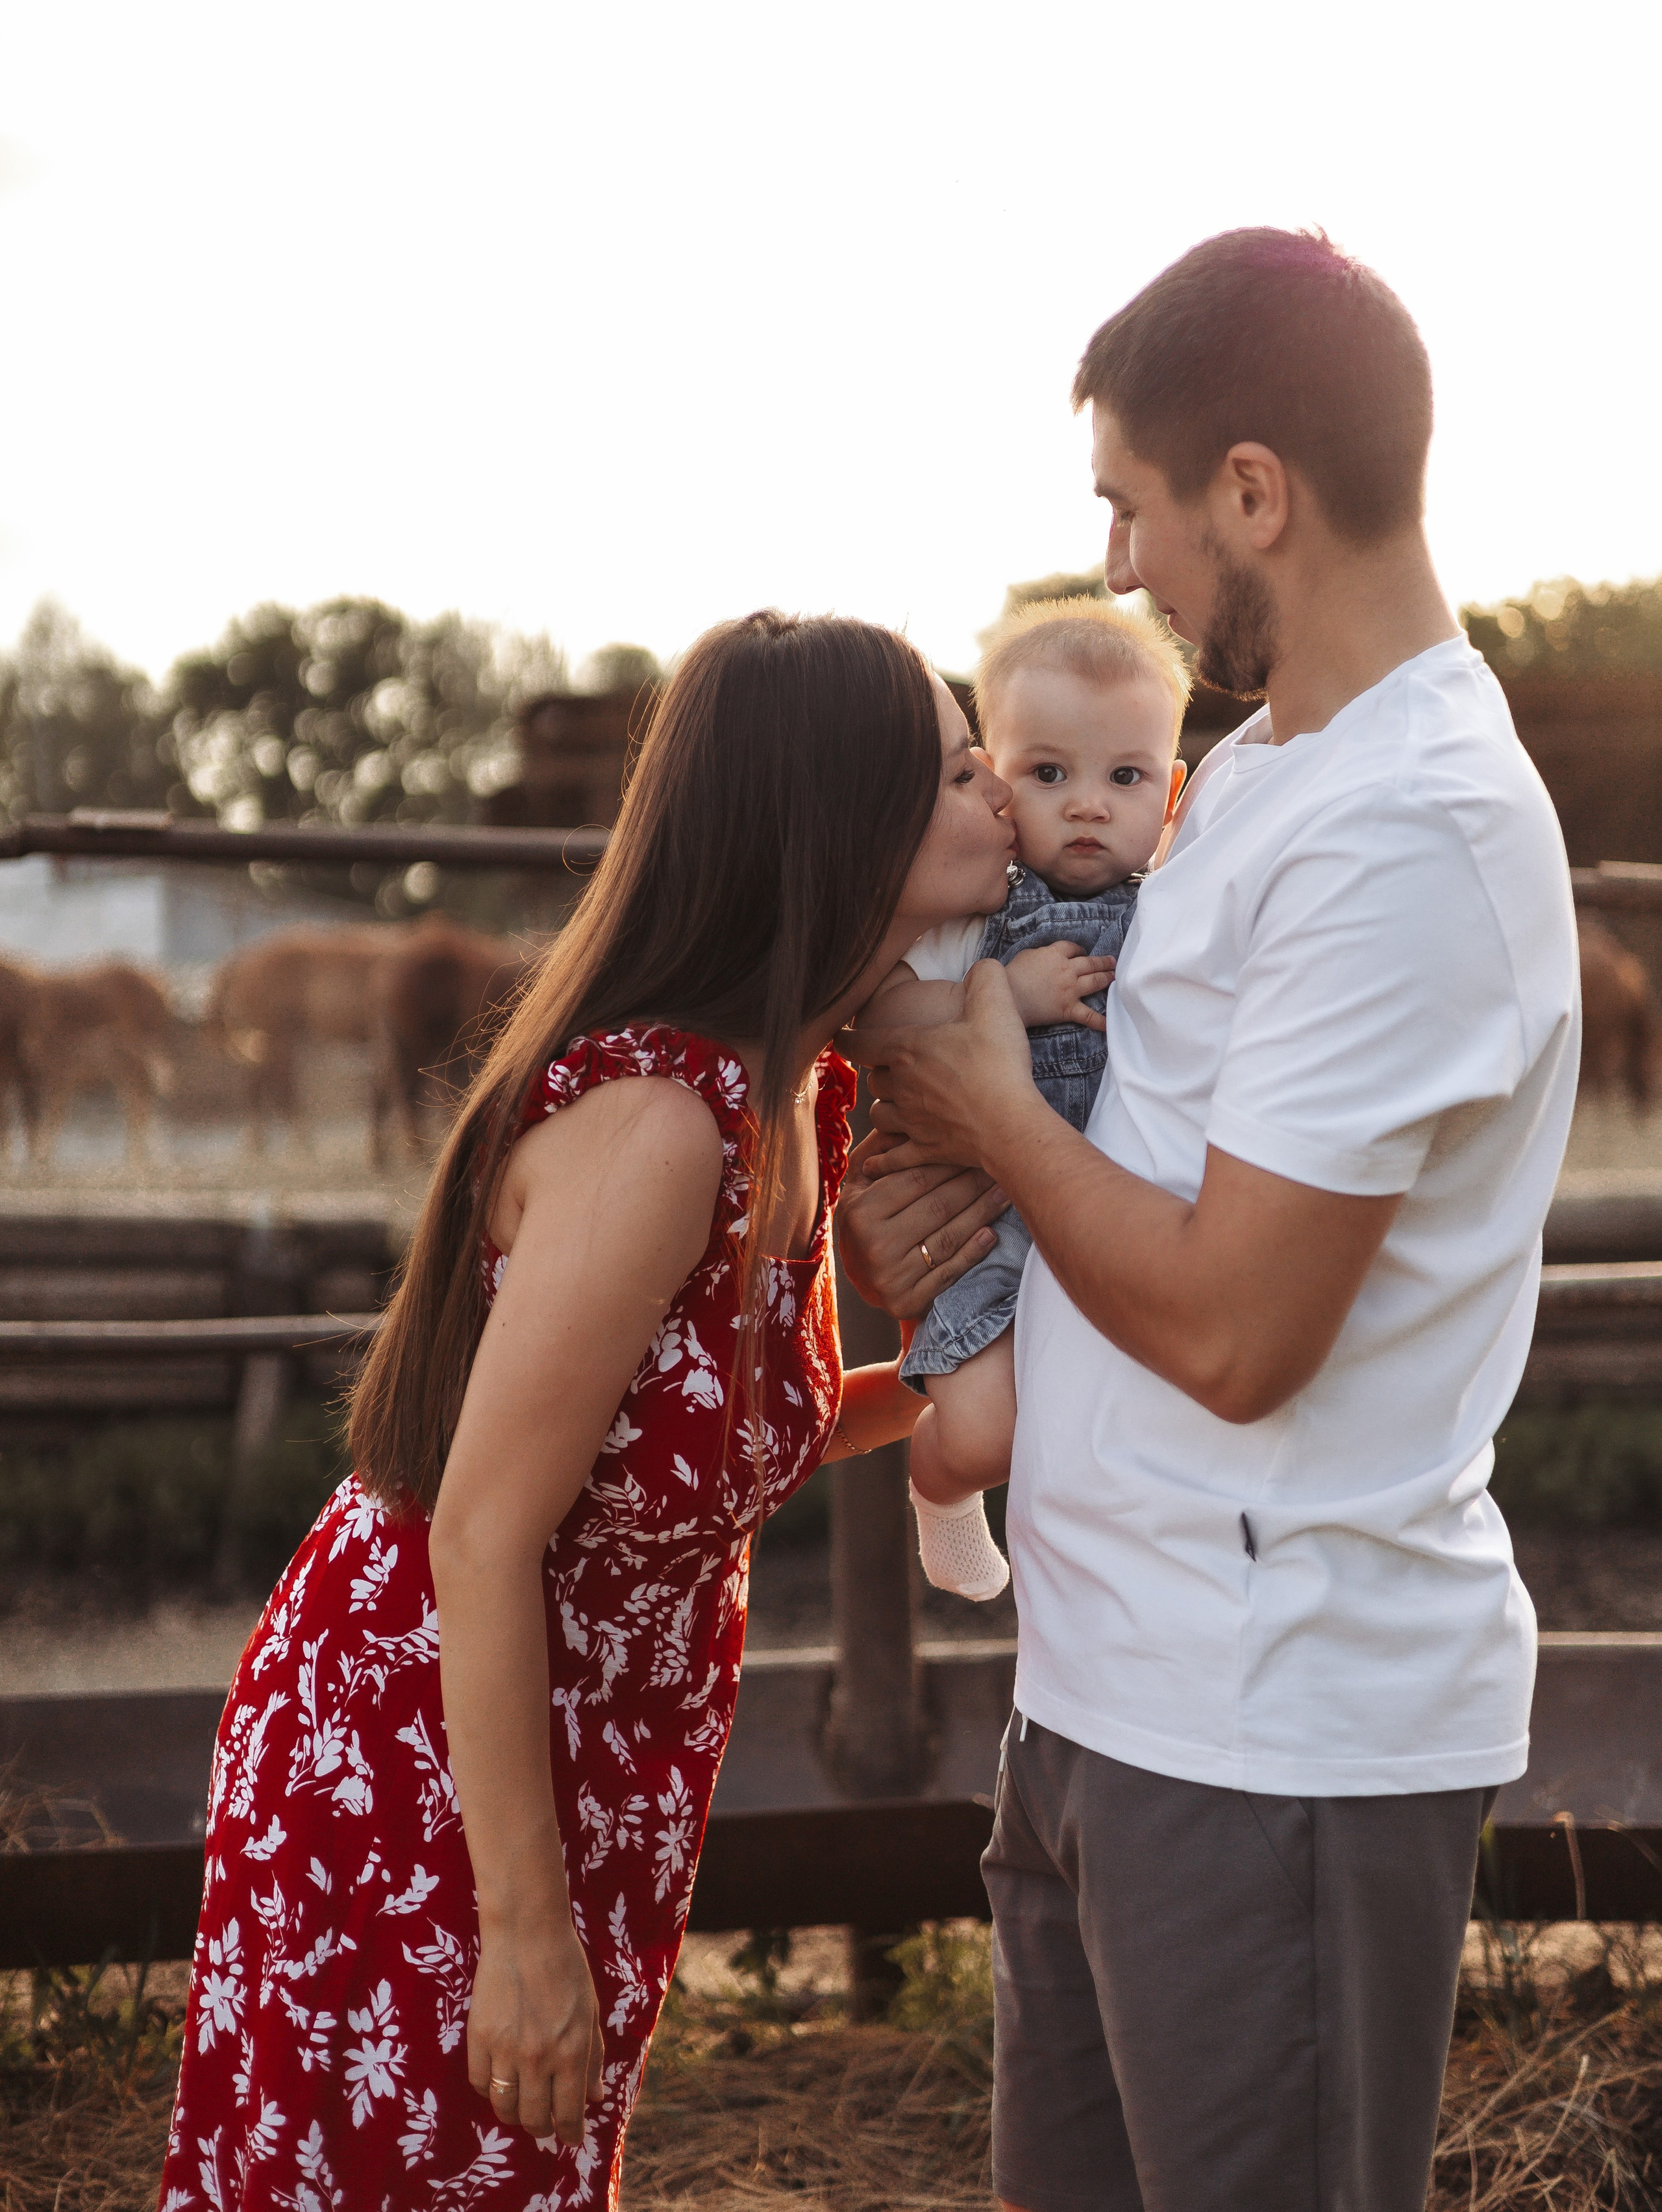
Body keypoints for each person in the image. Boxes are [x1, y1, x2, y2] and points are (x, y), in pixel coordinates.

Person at [840, 228, 1580, 2211]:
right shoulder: (1256, 777)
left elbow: (1246, 1332)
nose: (1121, 564)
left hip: (1278, 1738)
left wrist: (988, 1101)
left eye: (1133, 507)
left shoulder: (1409, 831)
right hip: (1105, 1692)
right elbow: (1139, 1158)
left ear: (1255, 490)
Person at [157, 610, 1019, 2212]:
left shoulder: (797, 1095)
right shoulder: (659, 1125)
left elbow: (714, 1440)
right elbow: (484, 1532)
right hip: (425, 1769)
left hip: (581, 1766)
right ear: (838, 820)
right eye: (962, 772)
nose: (1003, 802)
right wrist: (521, 1932)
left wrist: (995, 1378)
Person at [857, 597, 1189, 1602]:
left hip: (1116, 1212)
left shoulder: (1177, 908)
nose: (1087, 805)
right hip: (986, 1220)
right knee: (991, 1427)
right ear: (1000, 788)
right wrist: (1001, 996)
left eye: (1123, 778)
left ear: (1170, 795)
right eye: (1048, 775)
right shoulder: (982, 914)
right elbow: (881, 1028)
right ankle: (939, 1488)